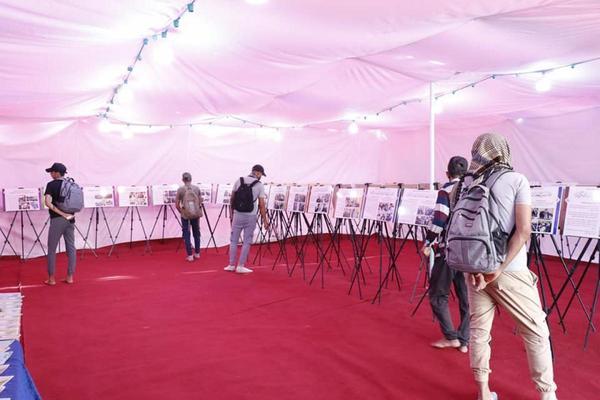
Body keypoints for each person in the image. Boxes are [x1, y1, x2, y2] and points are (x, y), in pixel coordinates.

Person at [464, 133, 557, 400]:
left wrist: (482, 269)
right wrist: (499, 268)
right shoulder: (516, 180)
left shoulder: (468, 182)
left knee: (479, 332)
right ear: (502, 151)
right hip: (509, 270)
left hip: (473, 268)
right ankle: (547, 395)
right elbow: (524, 230)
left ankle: (483, 392)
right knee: (536, 331)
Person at [422, 156, 470, 353]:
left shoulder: (446, 190)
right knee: (466, 297)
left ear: (447, 173)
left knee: (437, 294)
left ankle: (451, 337)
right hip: (470, 251)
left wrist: (428, 241)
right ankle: (465, 339)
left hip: (449, 249)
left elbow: (440, 219)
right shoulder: (472, 189)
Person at [224, 164, 270, 274]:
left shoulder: (239, 180)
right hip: (250, 216)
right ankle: (240, 266)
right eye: (261, 174)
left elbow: (232, 198)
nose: (261, 176)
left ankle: (231, 265)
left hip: (237, 214)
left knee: (233, 240)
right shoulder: (259, 185)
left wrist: (232, 213)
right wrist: (265, 220)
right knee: (247, 241)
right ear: (257, 173)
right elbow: (262, 205)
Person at [43, 162, 76, 285]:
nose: (51, 174)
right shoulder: (71, 184)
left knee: (52, 249)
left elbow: (48, 203)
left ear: (57, 173)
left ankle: (51, 279)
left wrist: (62, 214)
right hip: (71, 219)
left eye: (52, 172)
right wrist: (67, 214)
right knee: (71, 248)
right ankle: (70, 277)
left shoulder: (51, 185)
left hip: (57, 219)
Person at [175, 172, 203, 262]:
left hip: (185, 215)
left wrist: (182, 212)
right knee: (196, 233)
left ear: (183, 180)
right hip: (195, 214)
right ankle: (197, 253)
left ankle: (190, 255)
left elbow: (176, 205)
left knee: (186, 234)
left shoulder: (180, 190)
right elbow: (200, 202)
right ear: (191, 179)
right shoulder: (196, 188)